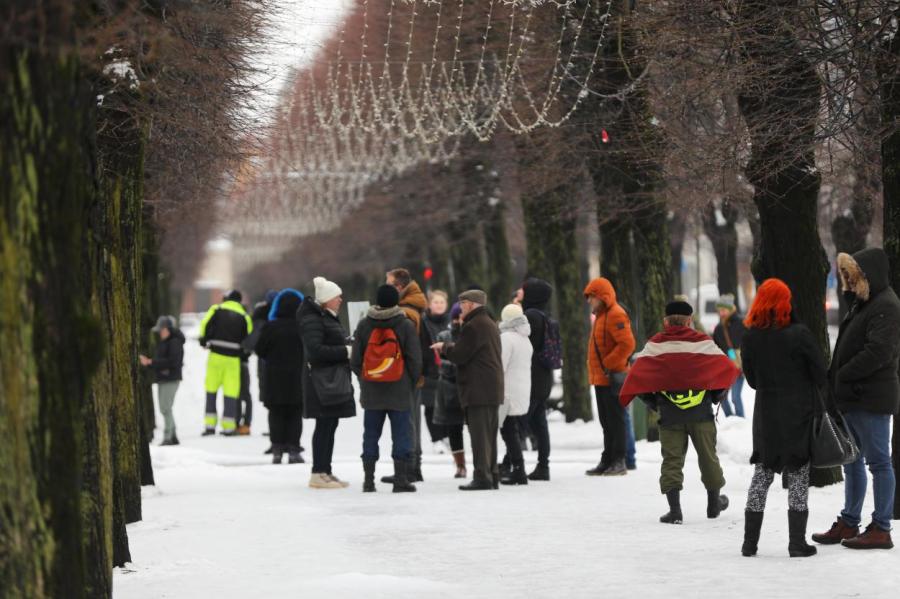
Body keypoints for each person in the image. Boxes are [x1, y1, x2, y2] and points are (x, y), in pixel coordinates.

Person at [813, 249, 900, 550]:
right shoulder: (864, 304)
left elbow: (879, 352)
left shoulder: (886, 305)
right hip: (853, 397)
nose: (848, 282)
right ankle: (850, 521)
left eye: (853, 275)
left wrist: (844, 374)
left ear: (869, 274)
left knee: (878, 462)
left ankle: (881, 527)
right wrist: (833, 377)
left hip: (871, 398)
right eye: (846, 276)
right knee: (852, 461)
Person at [620, 301, 738, 525]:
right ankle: (714, 503)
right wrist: (714, 396)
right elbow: (728, 369)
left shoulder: (655, 345)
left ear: (666, 321)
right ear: (689, 320)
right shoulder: (702, 343)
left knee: (672, 461)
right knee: (708, 458)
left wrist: (654, 402)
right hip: (701, 413)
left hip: (670, 415)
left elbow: (636, 378)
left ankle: (675, 511)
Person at [739, 279, 826, 557]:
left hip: (766, 415)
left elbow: (751, 380)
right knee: (798, 475)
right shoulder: (799, 334)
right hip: (798, 414)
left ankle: (749, 543)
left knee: (762, 475)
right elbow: (820, 373)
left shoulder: (750, 336)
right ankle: (796, 543)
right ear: (785, 302)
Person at [351, 285, 423, 493]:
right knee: (401, 434)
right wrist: (408, 382)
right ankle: (401, 480)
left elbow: (355, 361)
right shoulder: (405, 325)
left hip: (372, 392)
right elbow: (415, 360)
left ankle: (368, 481)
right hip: (399, 391)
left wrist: (366, 380)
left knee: (371, 434)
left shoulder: (364, 325)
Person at [432, 289, 503, 491]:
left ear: (471, 304)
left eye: (462, 304)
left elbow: (460, 355)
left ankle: (482, 477)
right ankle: (492, 474)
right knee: (489, 435)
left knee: (480, 436)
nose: (460, 308)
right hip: (490, 387)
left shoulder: (474, 326)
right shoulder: (488, 322)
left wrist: (444, 347)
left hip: (478, 388)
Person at [298, 277, 356, 489]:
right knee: (324, 425)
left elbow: (329, 342)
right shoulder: (314, 319)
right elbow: (316, 350)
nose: (340, 299)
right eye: (337, 296)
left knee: (330, 424)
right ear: (327, 300)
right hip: (321, 382)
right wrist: (346, 351)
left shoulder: (327, 317)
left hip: (330, 379)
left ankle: (326, 470)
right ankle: (318, 472)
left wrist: (347, 342)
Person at [584, 277, 635, 476]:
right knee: (607, 422)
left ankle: (619, 460)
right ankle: (608, 459)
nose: (589, 301)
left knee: (617, 420)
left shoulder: (615, 314)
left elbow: (627, 344)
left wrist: (608, 363)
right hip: (601, 378)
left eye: (592, 297)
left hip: (612, 376)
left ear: (602, 297)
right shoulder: (602, 315)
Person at [385, 268, 429, 482]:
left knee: (409, 421)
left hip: (407, 374)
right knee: (412, 420)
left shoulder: (406, 312)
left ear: (399, 287)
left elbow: (406, 346)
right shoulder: (412, 307)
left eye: (388, 283)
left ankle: (411, 467)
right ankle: (414, 466)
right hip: (413, 373)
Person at [254, 289, 305, 465]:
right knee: (295, 413)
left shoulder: (271, 327)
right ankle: (293, 448)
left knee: (276, 413)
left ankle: (277, 449)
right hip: (297, 377)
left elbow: (259, 349)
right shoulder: (302, 327)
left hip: (274, 377)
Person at [199, 290, 253, 436]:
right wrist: (243, 352)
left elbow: (204, 324)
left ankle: (210, 426)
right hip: (233, 359)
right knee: (230, 392)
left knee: (211, 390)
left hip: (215, 356)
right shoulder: (244, 316)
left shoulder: (216, 309)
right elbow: (249, 337)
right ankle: (229, 427)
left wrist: (203, 340)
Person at [520, 278, 554, 481]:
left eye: (524, 291)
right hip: (543, 378)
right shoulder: (543, 314)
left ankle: (511, 462)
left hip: (531, 378)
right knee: (540, 424)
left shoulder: (530, 317)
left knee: (520, 423)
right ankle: (543, 466)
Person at [498, 303, 532, 486]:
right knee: (514, 430)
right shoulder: (525, 338)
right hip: (521, 391)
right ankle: (511, 465)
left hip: (507, 392)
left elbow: (500, 366)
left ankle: (519, 470)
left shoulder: (506, 338)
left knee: (508, 431)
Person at [433, 303, 467, 478]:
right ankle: (460, 465)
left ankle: (480, 463)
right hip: (450, 389)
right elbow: (441, 364)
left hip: (470, 387)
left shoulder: (471, 334)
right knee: (454, 429)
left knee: (476, 427)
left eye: (460, 318)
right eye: (454, 318)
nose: (457, 321)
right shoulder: (444, 335)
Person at [140, 315, 185, 446]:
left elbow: (172, 361)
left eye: (162, 329)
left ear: (168, 329)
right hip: (164, 378)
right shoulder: (166, 342)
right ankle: (173, 436)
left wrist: (150, 362)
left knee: (165, 408)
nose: (160, 332)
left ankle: (168, 437)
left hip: (170, 379)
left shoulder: (175, 342)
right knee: (165, 408)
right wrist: (151, 363)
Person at [422, 290, 451, 453]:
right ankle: (436, 438)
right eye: (436, 302)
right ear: (429, 304)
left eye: (442, 302)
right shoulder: (424, 321)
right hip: (430, 369)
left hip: (449, 369)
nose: (439, 305)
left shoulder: (450, 321)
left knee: (448, 404)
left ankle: (447, 435)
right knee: (431, 405)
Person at [712, 293, 747, 417]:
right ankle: (731, 420)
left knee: (735, 397)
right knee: (723, 398)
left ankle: (741, 421)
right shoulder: (718, 329)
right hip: (726, 368)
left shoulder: (742, 323)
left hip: (739, 366)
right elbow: (715, 349)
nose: (721, 313)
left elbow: (749, 344)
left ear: (731, 309)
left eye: (723, 310)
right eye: (719, 310)